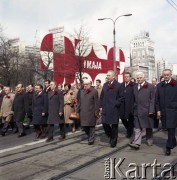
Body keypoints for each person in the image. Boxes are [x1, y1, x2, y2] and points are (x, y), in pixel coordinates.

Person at [129, 72, 155, 150]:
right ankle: (137, 143)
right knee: (137, 127)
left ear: (144, 78)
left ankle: (149, 139)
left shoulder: (150, 86)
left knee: (148, 126)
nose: (139, 79)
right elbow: (133, 98)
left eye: (140, 78)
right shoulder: (135, 86)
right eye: (137, 78)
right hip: (137, 110)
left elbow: (152, 99)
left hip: (147, 110)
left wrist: (151, 110)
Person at [156, 69, 177, 156]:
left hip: (173, 111)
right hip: (163, 112)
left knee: (171, 129)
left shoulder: (175, 84)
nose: (166, 76)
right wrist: (158, 110)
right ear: (163, 75)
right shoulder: (159, 85)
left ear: (171, 75)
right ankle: (174, 141)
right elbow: (157, 100)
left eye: (168, 75)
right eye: (164, 75)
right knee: (167, 129)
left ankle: (168, 147)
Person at [100, 70, 122, 148]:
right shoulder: (105, 85)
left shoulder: (119, 85)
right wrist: (101, 106)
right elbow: (102, 96)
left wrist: (115, 103)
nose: (107, 77)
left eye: (109, 75)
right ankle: (111, 135)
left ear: (113, 76)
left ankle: (113, 141)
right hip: (105, 108)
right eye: (107, 75)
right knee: (104, 123)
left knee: (114, 125)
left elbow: (121, 97)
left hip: (114, 109)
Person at [76, 79, 99, 145]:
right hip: (83, 112)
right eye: (84, 84)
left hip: (91, 112)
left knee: (91, 126)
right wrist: (77, 110)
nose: (85, 86)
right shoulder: (81, 91)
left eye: (87, 84)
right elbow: (79, 102)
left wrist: (96, 112)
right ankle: (89, 136)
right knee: (84, 126)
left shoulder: (94, 91)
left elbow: (96, 103)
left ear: (90, 84)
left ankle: (91, 139)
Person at [120, 72, 135, 138]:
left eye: (127, 76)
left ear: (130, 77)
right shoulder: (121, 85)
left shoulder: (134, 85)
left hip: (130, 105)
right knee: (123, 119)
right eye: (125, 76)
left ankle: (130, 132)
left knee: (130, 120)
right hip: (123, 105)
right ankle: (129, 128)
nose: (126, 78)